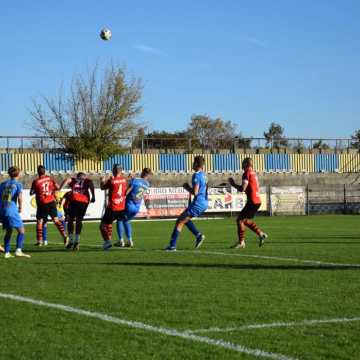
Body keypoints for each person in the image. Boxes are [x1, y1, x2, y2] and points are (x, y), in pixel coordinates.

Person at [165, 156, 208, 251]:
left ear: (196, 164)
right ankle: (198, 235)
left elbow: (195, 192)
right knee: (184, 219)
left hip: (198, 203)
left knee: (179, 221)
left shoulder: (196, 175)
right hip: (204, 202)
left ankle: (172, 246)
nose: (192, 164)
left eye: (193, 163)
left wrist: (186, 187)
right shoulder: (204, 175)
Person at [229, 157, 268, 249]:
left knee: (239, 220)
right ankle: (261, 234)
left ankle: (241, 242)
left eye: (243, 163)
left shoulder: (246, 173)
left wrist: (233, 184)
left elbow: (243, 188)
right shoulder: (253, 173)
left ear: (246, 164)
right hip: (257, 200)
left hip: (253, 201)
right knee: (245, 220)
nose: (242, 165)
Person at [30, 165, 68, 247]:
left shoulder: (36, 181)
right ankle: (65, 236)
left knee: (40, 221)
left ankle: (39, 240)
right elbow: (57, 187)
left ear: (38, 172)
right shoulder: (50, 179)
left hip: (42, 203)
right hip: (51, 201)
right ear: (45, 171)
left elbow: (31, 193)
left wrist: (37, 191)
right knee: (56, 220)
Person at [115, 168, 152, 248]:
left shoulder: (135, 180)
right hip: (136, 207)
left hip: (129, 205)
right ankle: (130, 240)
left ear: (142, 172)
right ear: (148, 175)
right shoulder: (147, 184)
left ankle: (121, 240)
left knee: (119, 219)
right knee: (127, 221)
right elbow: (139, 185)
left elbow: (127, 192)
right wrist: (132, 179)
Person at [0, 166, 30, 258]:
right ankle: (18, 250)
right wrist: (20, 207)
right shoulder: (18, 184)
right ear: (18, 174)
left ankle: (7, 253)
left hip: (2, 210)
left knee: (9, 231)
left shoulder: (2, 184)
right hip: (11, 210)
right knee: (21, 231)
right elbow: (20, 197)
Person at [60, 173, 95, 250]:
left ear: (77, 177)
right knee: (79, 220)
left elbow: (66, 180)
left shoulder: (73, 180)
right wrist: (93, 196)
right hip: (84, 202)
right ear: (84, 177)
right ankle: (77, 240)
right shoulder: (87, 180)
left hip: (75, 200)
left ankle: (71, 240)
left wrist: (60, 189)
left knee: (70, 219)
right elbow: (91, 184)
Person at [100, 164, 128, 250]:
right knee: (110, 224)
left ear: (114, 170)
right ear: (121, 170)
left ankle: (107, 241)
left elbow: (102, 187)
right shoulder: (124, 180)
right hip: (122, 207)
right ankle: (117, 240)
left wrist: (102, 180)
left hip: (113, 207)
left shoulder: (111, 180)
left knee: (102, 226)